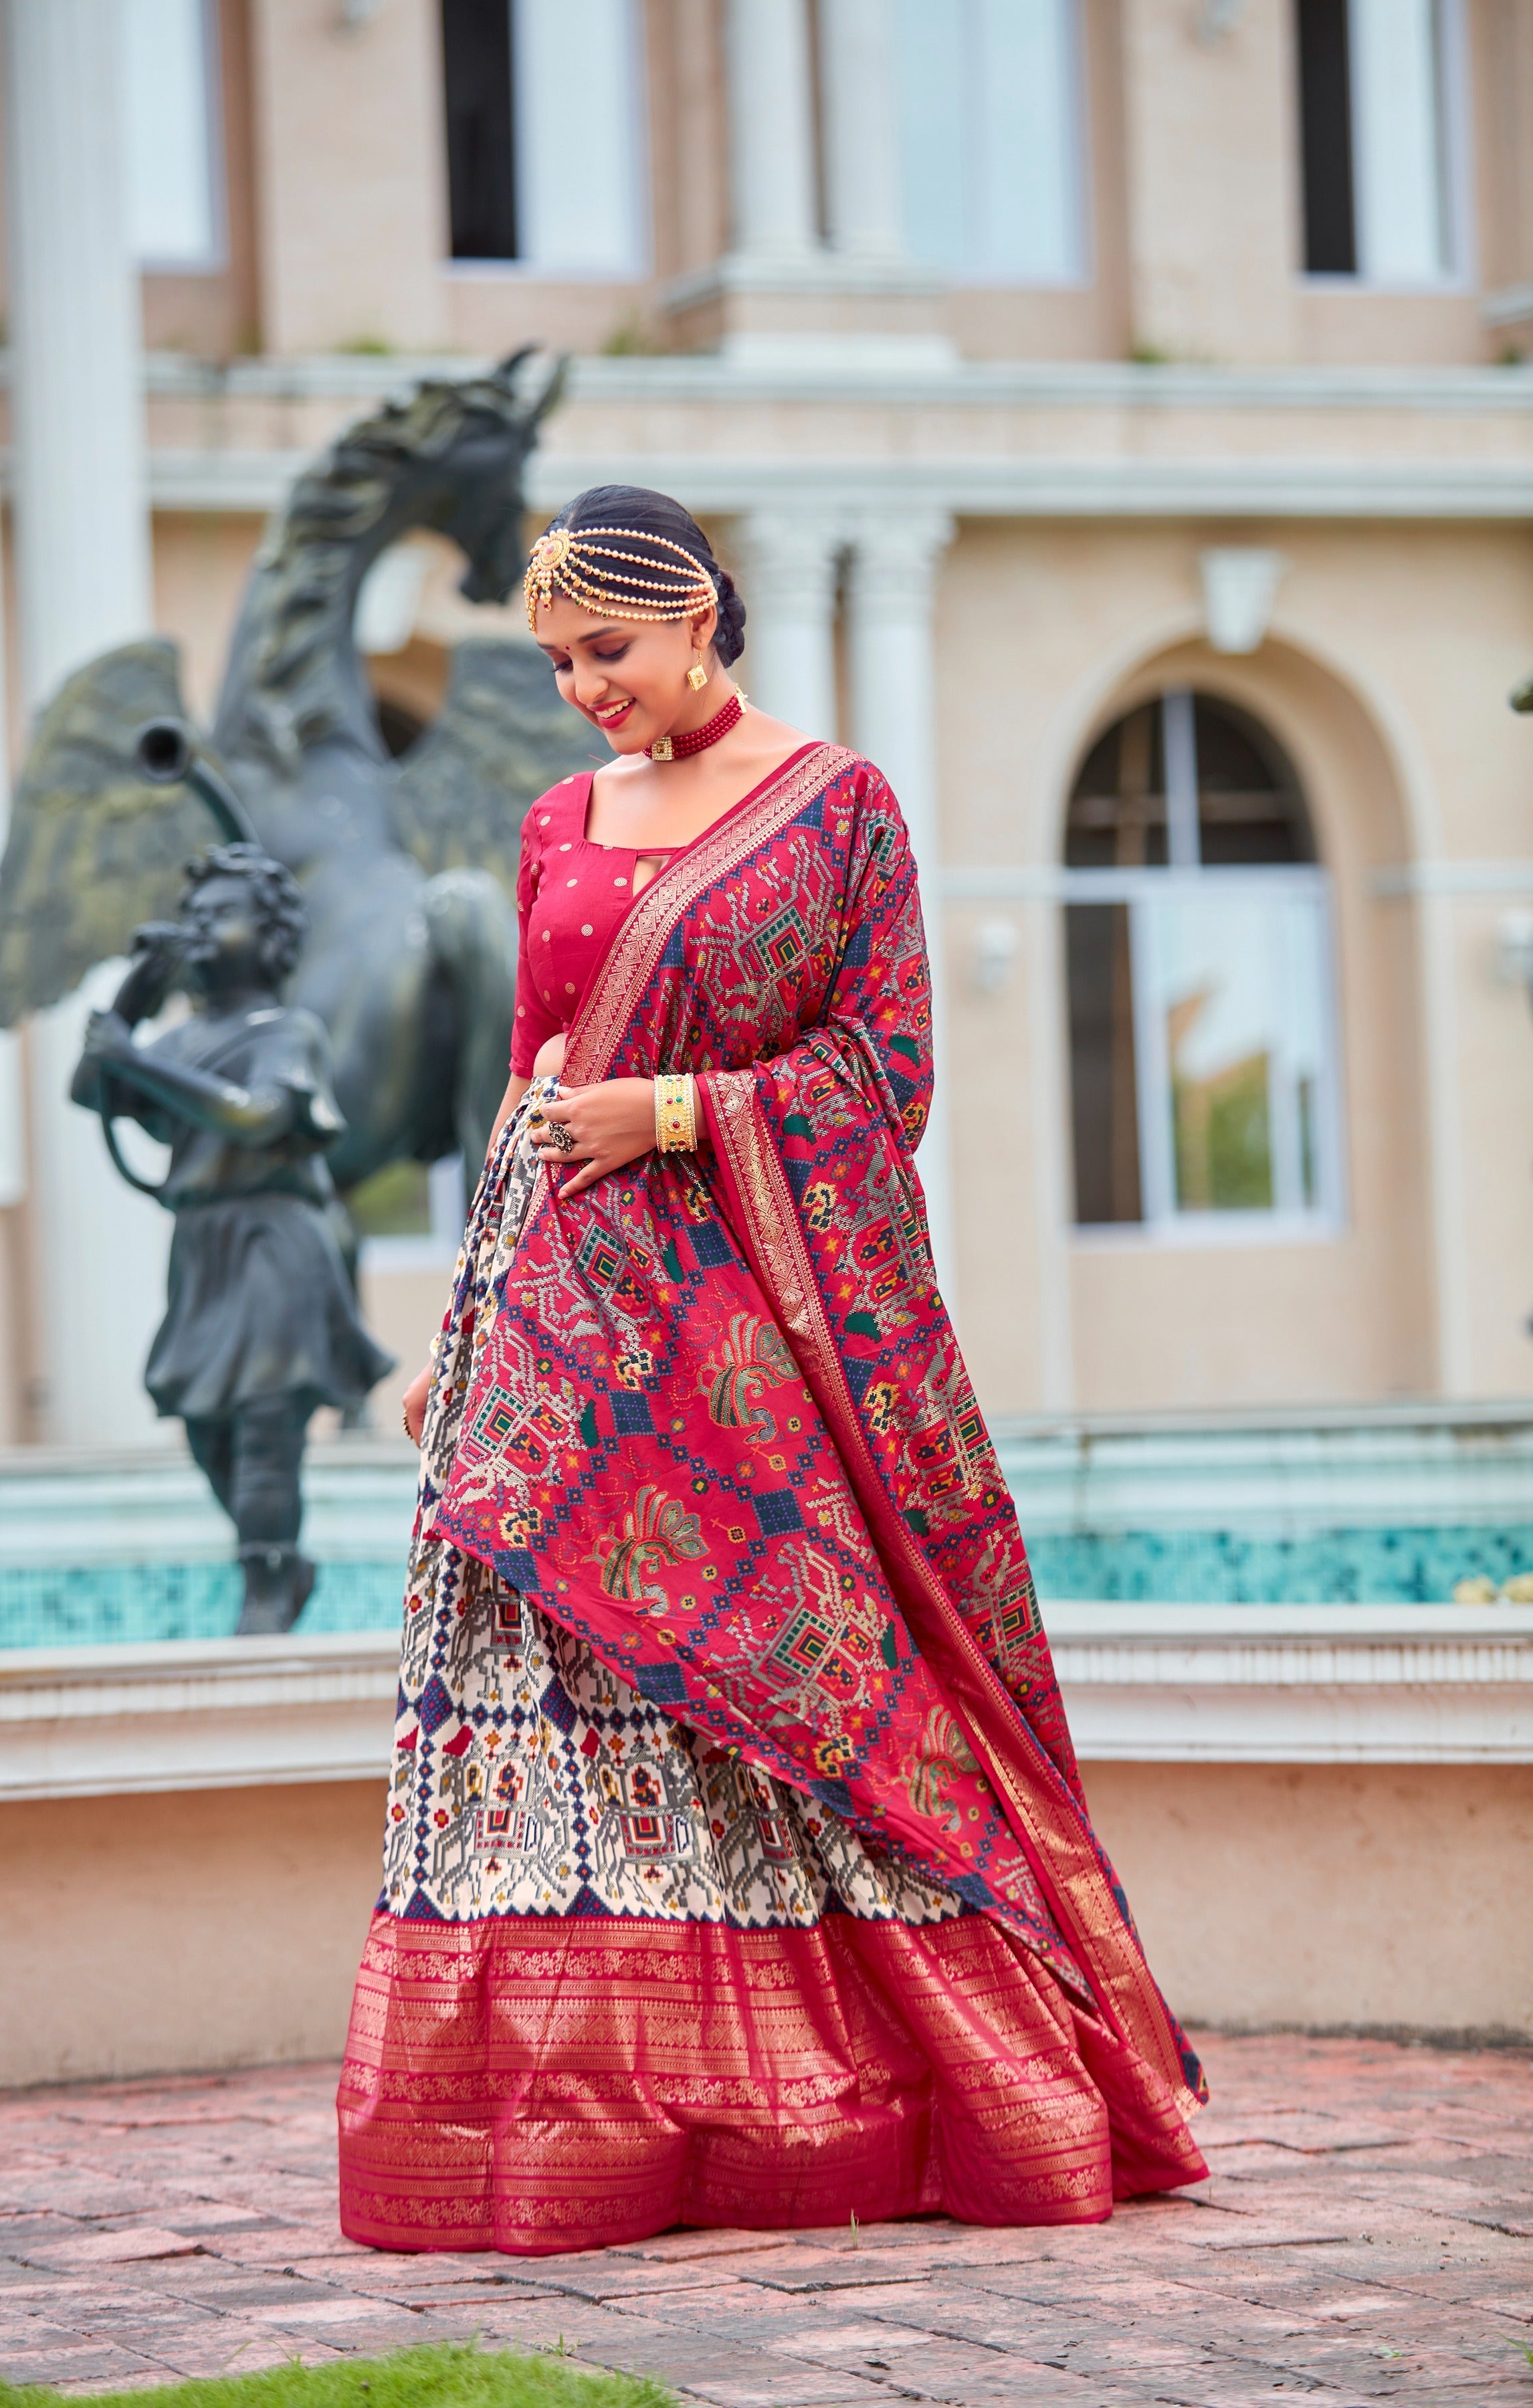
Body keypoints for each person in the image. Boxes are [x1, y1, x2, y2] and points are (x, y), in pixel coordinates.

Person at [337, 485, 1207, 2254]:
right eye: (560, 658)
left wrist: (669, 1113)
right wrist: (459, 1324)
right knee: (558, 1740)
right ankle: (583, 2129)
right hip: (551, 1326)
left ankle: (841, 2114)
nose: (587, 687)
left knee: (808, 1708)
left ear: (700, 620)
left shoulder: (837, 810)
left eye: (611, 649)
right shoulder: (558, 822)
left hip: (744, 1342)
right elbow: (525, 1089)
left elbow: (884, 1083)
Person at [72, 843, 394, 1634]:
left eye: (223, 914)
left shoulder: (288, 1031)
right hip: (204, 1246)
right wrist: (136, 997)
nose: (203, 927)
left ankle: (267, 1578)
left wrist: (138, 1064)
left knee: (262, 1415)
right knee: (204, 1422)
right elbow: (92, 1087)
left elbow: (256, 1115)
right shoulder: (179, 1040)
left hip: (273, 1240)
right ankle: (275, 1555)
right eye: (195, 915)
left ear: (273, 936)